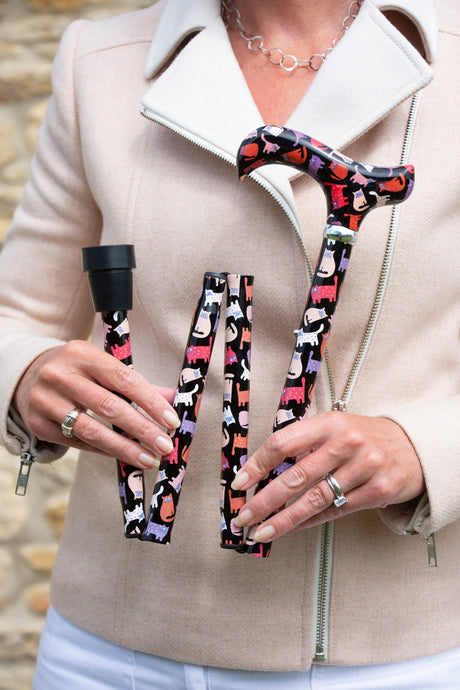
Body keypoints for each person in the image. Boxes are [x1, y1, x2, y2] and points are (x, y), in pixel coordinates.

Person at [0, 0, 459, 687]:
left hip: (392, 659)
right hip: (111, 648)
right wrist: (27, 372)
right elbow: (14, 315)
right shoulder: (100, 62)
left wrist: (428, 446)